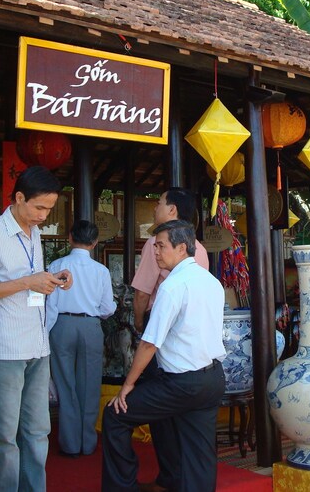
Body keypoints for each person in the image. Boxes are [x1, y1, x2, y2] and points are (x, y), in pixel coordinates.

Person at [0, 166, 73, 492]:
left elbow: (27, 283)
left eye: (49, 209)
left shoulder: (34, 233)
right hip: (5, 350)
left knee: (37, 432)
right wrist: (29, 281)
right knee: (4, 436)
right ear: (18, 198)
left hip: (38, 346)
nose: (44, 215)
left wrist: (51, 280)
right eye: (39, 207)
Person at [102, 220, 226, 492]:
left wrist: (127, 386)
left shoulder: (172, 286)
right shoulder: (211, 281)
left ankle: (122, 487)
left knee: (115, 415)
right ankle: (171, 481)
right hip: (212, 378)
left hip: (181, 383)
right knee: (199, 452)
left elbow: (149, 344)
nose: (155, 252)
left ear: (182, 248)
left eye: (160, 246)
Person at [131, 188, 209, 492]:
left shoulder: (156, 243)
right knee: (185, 412)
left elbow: (141, 293)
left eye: (160, 203)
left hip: (160, 326)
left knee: (159, 406)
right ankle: (186, 478)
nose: (154, 207)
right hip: (190, 332)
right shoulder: (198, 248)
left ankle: (169, 479)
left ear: (173, 210)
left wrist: (140, 324)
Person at [45, 220, 116, 458]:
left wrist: (45, 333)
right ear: (95, 242)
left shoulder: (57, 264)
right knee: (90, 385)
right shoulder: (101, 271)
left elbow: (51, 306)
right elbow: (107, 308)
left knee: (65, 385)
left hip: (62, 325)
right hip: (90, 326)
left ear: (70, 237)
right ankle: (87, 442)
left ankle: (70, 443)